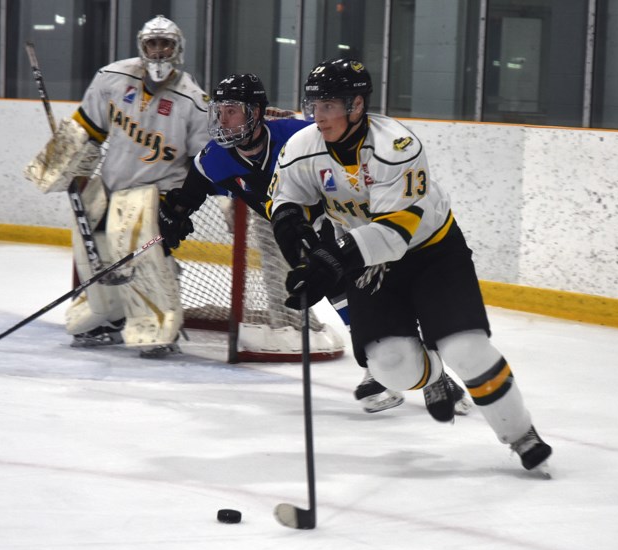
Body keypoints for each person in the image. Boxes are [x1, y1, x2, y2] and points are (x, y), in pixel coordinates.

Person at [264, 58, 552, 472]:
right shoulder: (303, 147)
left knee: (465, 349)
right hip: (367, 259)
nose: (319, 115)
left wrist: (331, 261)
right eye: (315, 105)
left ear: (357, 105)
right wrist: (301, 247)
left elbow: (394, 233)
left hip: (431, 252)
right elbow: (286, 204)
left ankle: (520, 433)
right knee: (391, 365)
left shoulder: (396, 146)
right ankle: (434, 378)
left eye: (330, 105)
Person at [158, 73, 470, 414]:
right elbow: (191, 192)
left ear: (256, 113)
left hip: (349, 221)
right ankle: (381, 367)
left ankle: (431, 370)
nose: (222, 120)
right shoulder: (214, 157)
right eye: (219, 111)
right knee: (336, 291)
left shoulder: (297, 136)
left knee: (380, 292)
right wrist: (174, 215)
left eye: (232, 111)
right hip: (299, 229)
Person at [24, 15, 211, 357]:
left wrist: (182, 207)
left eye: (165, 44)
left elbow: (205, 163)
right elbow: (88, 129)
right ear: (142, 46)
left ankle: (156, 324)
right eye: (152, 44)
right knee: (90, 242)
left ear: (177, 49)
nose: (158, 51)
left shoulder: (194, 101)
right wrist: (63, 165)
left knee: (134, 243)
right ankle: (106, 314)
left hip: (158, 193)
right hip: (112, 184)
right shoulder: (112, 78)